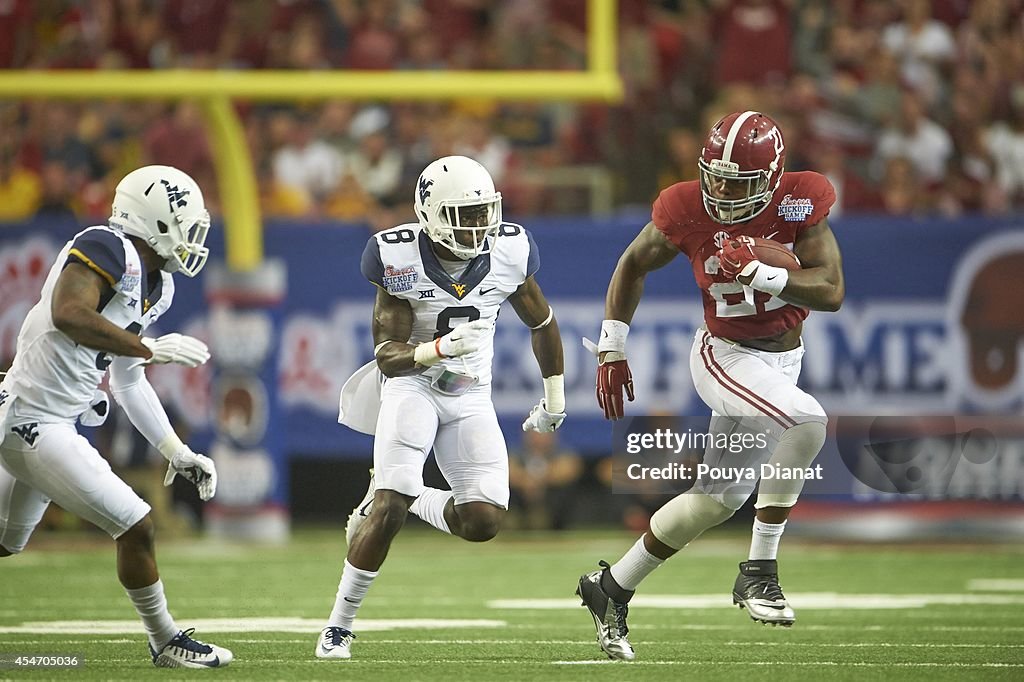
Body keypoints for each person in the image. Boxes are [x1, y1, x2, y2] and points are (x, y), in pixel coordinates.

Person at [578, 111, 844, 660]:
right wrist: (612, 346)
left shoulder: (801, 199)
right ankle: (760, 570)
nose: (721, 190)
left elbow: (831, 289)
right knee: (807, 421)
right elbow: (632, 264)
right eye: (714, 176)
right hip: (724, 354)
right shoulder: (685, 206)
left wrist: (762, 273)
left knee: (715, 500)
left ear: (772, 176)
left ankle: (610, 588)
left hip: (783, 360)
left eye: (737, 182)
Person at [316, 155, 565, 660]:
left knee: (484, 521)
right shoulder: (397, 256)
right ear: (428, 213)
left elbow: (543, 322)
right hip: (415, 387)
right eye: (463, 215)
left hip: (470, 395)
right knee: (389, 509)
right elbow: (387, 358)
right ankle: (337, 627)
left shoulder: (510, 250)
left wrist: (554, 398)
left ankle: (397, 494)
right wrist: (440, 349)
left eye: (483, 213)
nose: (477, 227)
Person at [0, 165, 233, 669]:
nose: (194, 237)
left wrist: (177, 451)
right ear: (157, 220)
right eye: (187, 224)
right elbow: (69, 313)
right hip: (34, 420)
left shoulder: (158, 286)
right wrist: (149, 347)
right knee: (137, 526)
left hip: (47, 420)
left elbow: (129, 381)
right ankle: (165, 639)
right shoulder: (107, 246)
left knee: (4, 544)